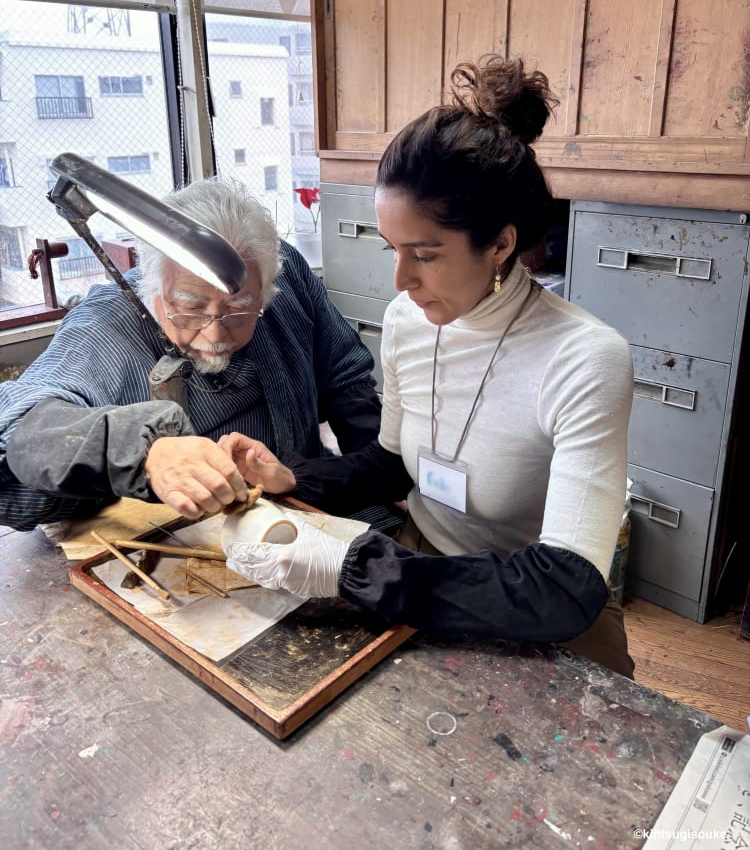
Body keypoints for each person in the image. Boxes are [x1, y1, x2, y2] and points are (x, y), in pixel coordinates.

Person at [219, 56, 636, 677]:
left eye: (425, 254)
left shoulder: (584, 359)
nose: (401, 279)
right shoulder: (408, 321)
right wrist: (292, 478)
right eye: (392, 248)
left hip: (535, 607)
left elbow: (562, 588)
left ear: (500, 244)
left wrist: (355, 569)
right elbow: (392, 464)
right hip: (425, 565)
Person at [0, 177, 383, 531]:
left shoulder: (281, 268)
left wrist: (377, 475)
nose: (214, 335)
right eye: (190, 309)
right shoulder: (104, 328)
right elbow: (18, 431)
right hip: (187, 538)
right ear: (154, 292)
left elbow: (345, 375)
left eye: (238, 309)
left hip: (305, 496)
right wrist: (144, 452)